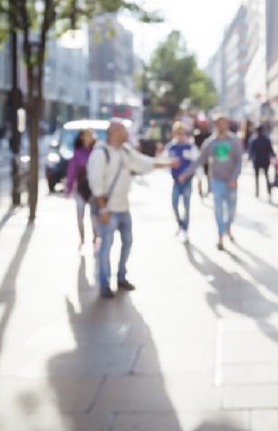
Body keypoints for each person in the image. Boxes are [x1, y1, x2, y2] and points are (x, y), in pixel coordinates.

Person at [88, 120, 176, 298]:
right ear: (114, 132)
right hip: (108, 209)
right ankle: (104, 283)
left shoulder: (125, 151)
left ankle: (121, 276)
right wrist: (102, 209)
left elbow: (144, 163)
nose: (127, 133)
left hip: (123, 207)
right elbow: (95, 182)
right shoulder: (101, 153)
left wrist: (166, 163)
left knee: (127, 242)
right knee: (106, 247)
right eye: (123, 130)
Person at [180, 113, 243, 251]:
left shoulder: (233, 141)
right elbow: (200, 160)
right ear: (215, 125)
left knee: (231, 210)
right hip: (217, 181)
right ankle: (220, 236)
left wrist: (234, 178)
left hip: (231, 181)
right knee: (219, 210)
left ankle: (227, 227)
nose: (221, 126)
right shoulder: (210, 143)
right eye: (218, 123)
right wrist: (186, 174)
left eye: (223, 122)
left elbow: (239, 161)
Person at [65, 128, 98, 249]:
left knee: (94, 216)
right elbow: (71, 171)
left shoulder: (97, 152)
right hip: (80, 188)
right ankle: (82, 238)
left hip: (94, 189)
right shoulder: (77, 152)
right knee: (80, 216)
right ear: (82, 137)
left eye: (91, 135)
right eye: (86, 135)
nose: (89, 137)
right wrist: (68, 187)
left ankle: (95, 238)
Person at [166, 122, 198, 241]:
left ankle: (186, 228)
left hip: (187, 181)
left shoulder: (190, 147)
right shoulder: (171, 147)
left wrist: (186, 175)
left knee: (186, 205)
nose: (180, 135)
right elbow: (166, 162)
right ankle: (180, 224)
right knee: (174, 204)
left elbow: (195, 163)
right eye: (178, 133)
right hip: (176, 181)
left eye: (182, 133)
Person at [248, 125, 274, 200]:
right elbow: (271, 150)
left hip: (257, 161)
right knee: (267, 176)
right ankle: (268, 191)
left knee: (257, 177)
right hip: (265, 160)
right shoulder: (266, 140)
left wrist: (250, 158)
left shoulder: (254, 140)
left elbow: (251, 152)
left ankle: (257, 192)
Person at [193, 119, 212, 197]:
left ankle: (209, 189)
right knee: (199, 175)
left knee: (208, 174)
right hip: (199, 156)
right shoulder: (197, 134)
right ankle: (200, 190)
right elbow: (196, 146)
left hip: (207, 157)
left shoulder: (209, 134)